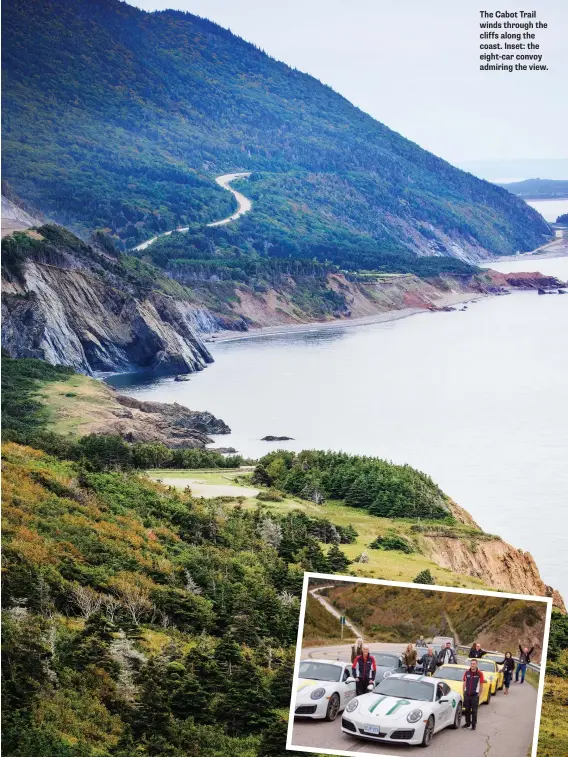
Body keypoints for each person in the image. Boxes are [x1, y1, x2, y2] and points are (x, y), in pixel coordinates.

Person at [462, 659, 485, 731]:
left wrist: (479, 694)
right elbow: (464, 682)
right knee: (467, 710)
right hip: (467, 694)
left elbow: (481, 685)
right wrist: (464, 691)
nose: (472, 665)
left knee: (474, 711)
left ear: (476, 665)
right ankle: (467, 723)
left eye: (474, 664)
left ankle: (473, 725)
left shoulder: (480, 673)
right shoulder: (467, 672)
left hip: (475, 695)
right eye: (471, 663)